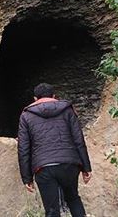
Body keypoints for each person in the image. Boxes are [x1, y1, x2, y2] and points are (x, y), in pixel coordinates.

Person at [17, 82, 92, 217]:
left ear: (35, 99)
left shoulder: (26, 116)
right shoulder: (67, 110)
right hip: (69, 164)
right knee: (74, 199)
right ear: (54, 96)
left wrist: (27, 178)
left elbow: (23, 149)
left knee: (51, 210)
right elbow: (79, 140)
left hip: (43, 167)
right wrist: (86, 168)